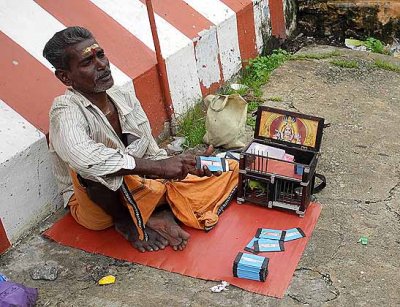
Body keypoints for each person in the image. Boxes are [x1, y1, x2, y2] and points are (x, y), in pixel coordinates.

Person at [43, 26, 239, 253]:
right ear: (65, 76)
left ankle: (152, 212)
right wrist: (160, 168)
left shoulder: (123, 97)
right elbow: (86, 159)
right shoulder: (65, 109)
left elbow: (152, 156)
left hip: (137, 182)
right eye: (87, 62)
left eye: (101, 55)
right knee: (92, 171)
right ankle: (126, 223)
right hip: (97, 206)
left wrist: (183, 165)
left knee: (230, 169)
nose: (102, 65)